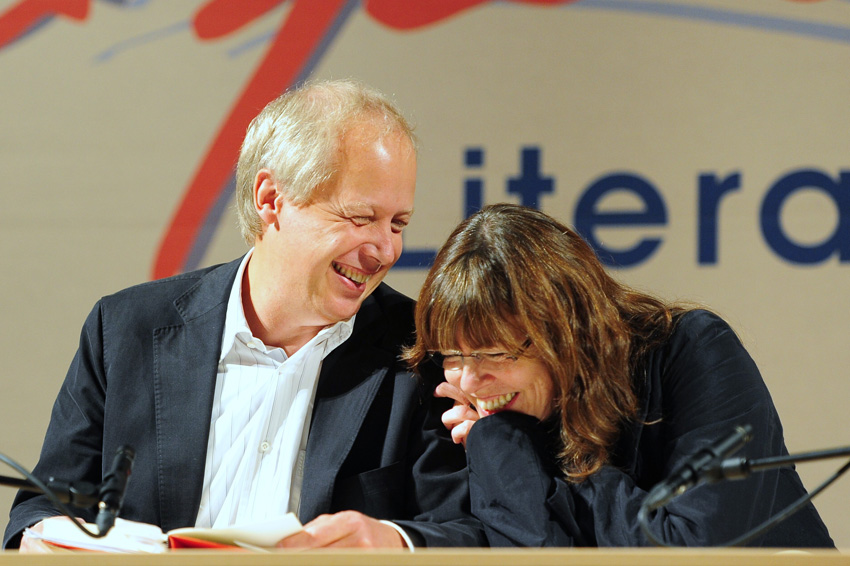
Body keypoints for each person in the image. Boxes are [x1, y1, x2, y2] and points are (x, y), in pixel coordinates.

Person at [4, 79, 484, 550]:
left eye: (398, 223)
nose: (385, 249)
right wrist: (42, 541)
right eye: (361, 217)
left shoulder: (424, 351)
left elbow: (475, 532)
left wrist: (394, 542)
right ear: (271, 199)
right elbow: (39, 510)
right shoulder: (127, 330)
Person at [403, 203, 834, 548]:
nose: (470, 380)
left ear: (564, 329)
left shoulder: (694, 350)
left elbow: (691, 550)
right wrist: (500, 441)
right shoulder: (489, 422)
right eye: (452, 355)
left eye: (493, 353)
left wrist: (549, 457)